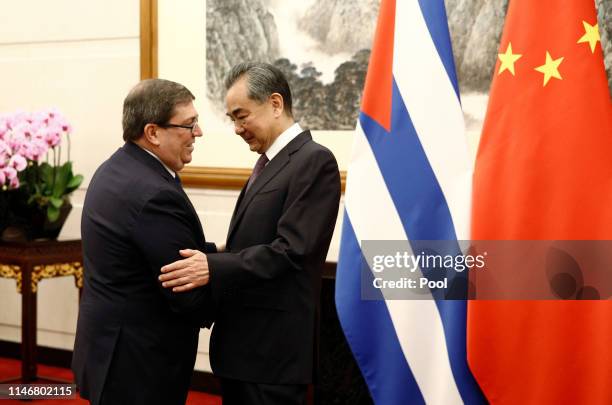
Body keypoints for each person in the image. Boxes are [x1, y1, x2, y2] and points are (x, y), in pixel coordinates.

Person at [159, 62, 341, 405]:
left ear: (275, 104)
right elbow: (256, 240)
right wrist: (210, 255)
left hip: (273, 353)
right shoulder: (271, 162)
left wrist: (211, 267)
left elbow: (291, 250)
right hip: (245, 349)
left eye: (242, 116)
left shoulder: (314, 161)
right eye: (232, 119)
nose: (238, 128)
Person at [72, 79, 216, 405]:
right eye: (189, 124)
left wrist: (220, 255)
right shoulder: (154, 193)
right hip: (138, 367)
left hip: (112, 350)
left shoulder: (116, 169)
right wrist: (245, 282)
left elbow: (155, 254)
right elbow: (184, 290)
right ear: (153, 133)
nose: (199, 132)